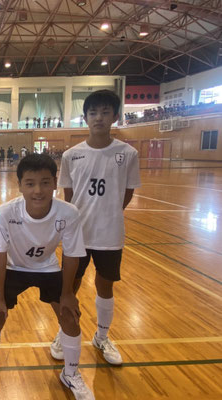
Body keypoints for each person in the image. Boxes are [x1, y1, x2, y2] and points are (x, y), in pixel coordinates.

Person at [0, 154, 94, 400]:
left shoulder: (68, 212)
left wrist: (68, 293)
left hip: (47, 267)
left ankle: (71, 373)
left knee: (70, 316)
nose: (38, 190)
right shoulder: (6, 212)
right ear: (20, 186)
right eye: (30, 184)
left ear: (55, 183)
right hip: (12, 267)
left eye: (45, 182)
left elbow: (72, 255)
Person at [52, 89, 141, 367]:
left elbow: (127, 193)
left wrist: (109, 213)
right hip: (78, 234)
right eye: (93, 112)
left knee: (105, 285)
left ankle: (102, 337)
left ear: (115, 116)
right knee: (70, 286)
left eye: (105, 112)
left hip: (110, 234)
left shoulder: (128, 153)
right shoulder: (72, 155)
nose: (99, 117)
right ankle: (63, 331)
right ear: (85, 118)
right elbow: (69, 196)